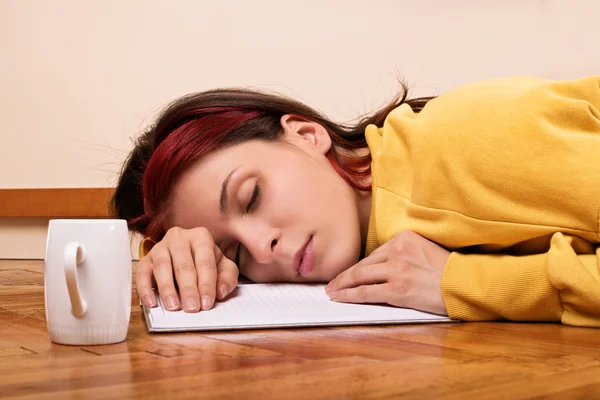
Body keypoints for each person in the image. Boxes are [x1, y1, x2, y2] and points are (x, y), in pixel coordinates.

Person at [112, 75, 600, 327]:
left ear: (306, 135)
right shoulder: (370, 230)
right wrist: (174, 258)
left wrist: (463, 282)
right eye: (234, 253)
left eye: (252, 196)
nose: (262, 251)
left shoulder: (464, 147)